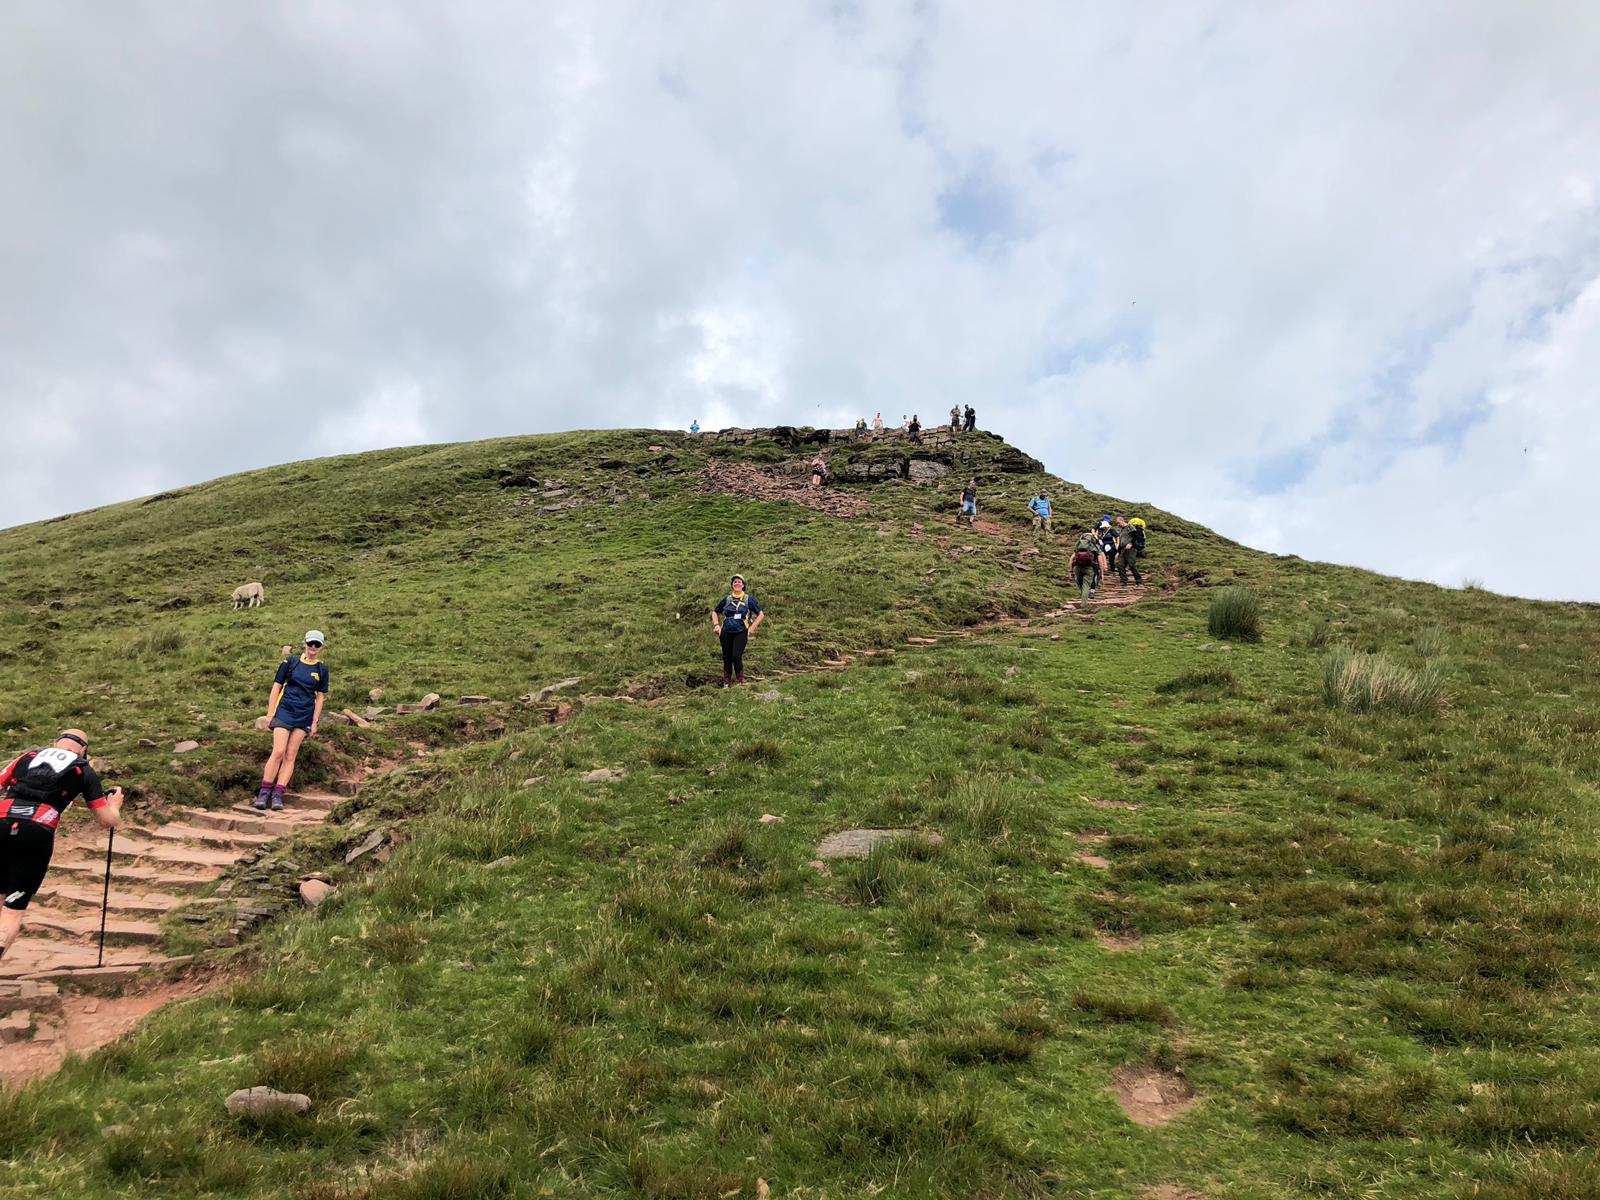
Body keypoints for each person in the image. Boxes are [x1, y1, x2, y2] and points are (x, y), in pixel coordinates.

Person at [0, 729, 124, 962]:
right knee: (12, 910)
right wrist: (115, 804)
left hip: (2, 821)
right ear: (85, 750)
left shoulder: (28, 757)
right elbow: (107, 820)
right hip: (36, 832)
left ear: (55, 743)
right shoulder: (83, 769)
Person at [256, 631, 329, 810]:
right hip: (284, 710)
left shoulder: (322, 669)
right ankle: (264, 792)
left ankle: (278, 795)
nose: (313, 647)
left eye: (317, 645)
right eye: (310, 643)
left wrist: (314, 721)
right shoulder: (290, 662)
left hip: (304, 714)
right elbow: (276, 687)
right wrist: (270, 713)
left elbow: (320, 697)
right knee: (279, 751)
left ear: (321, 647)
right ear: (304, 643)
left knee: (291, 754)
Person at [712, 575, 764, 687]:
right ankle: (726, 683)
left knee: (736, 656)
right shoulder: (727, 599)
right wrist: (716, 625)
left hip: (741, 631)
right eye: (734, 582)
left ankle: (740, 682)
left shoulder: (747, 599)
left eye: (739, 582)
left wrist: (751, 628)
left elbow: (760, 614)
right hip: (726, 631)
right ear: (732, 585)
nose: (737, 583)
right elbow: (715, 612)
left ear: (743, 585)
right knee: (727, 657)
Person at [1072, 529, 1101, 599]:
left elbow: (1072, 558)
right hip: (1092, 565)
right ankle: (1092, 592)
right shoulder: (1095, 546)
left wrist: (1071, 569)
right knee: (1093, 578)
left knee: (1079, 578)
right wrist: (1101, 570)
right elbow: (1100, 559)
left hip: (1079, 565)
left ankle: (1083, 591)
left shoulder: (1079, 545)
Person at [1118, 517, 1146, 586]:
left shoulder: (1130, 527)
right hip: (1123, 549)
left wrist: (1131, 544)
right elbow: (1121, 541)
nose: (1118, 525)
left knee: (1131, 564)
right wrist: (1118, 552)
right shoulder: (1121, 530)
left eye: (1118, 523)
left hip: (1131, 549)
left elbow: (1135, 536)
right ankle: (1123, 581)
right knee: (1120, 565)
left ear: (1122, 520)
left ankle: (1138, 580)